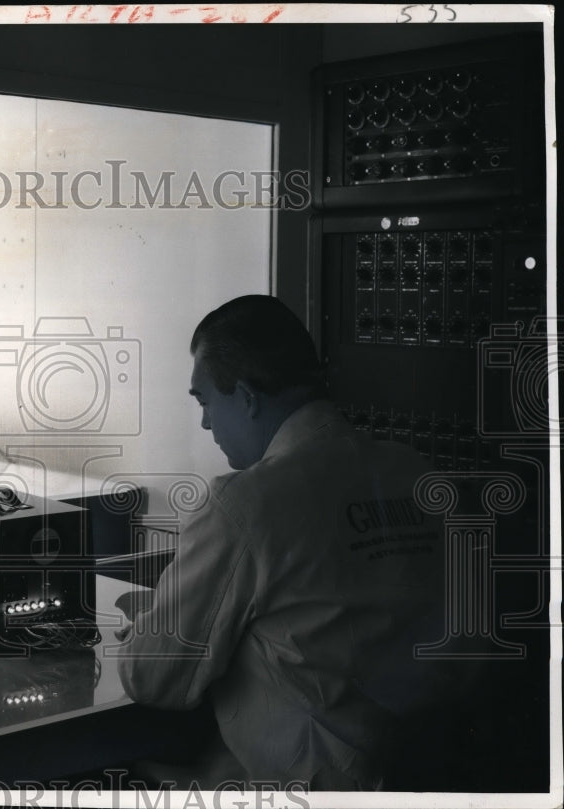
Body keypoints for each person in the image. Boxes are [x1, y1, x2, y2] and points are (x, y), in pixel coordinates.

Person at [115, 295, 450, 791]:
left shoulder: (247, 504)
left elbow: (155, 676)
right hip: (427, 773)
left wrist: (147, 627)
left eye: (205, 401)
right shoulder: (415, 471)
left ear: (247, 398)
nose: (206, 423)